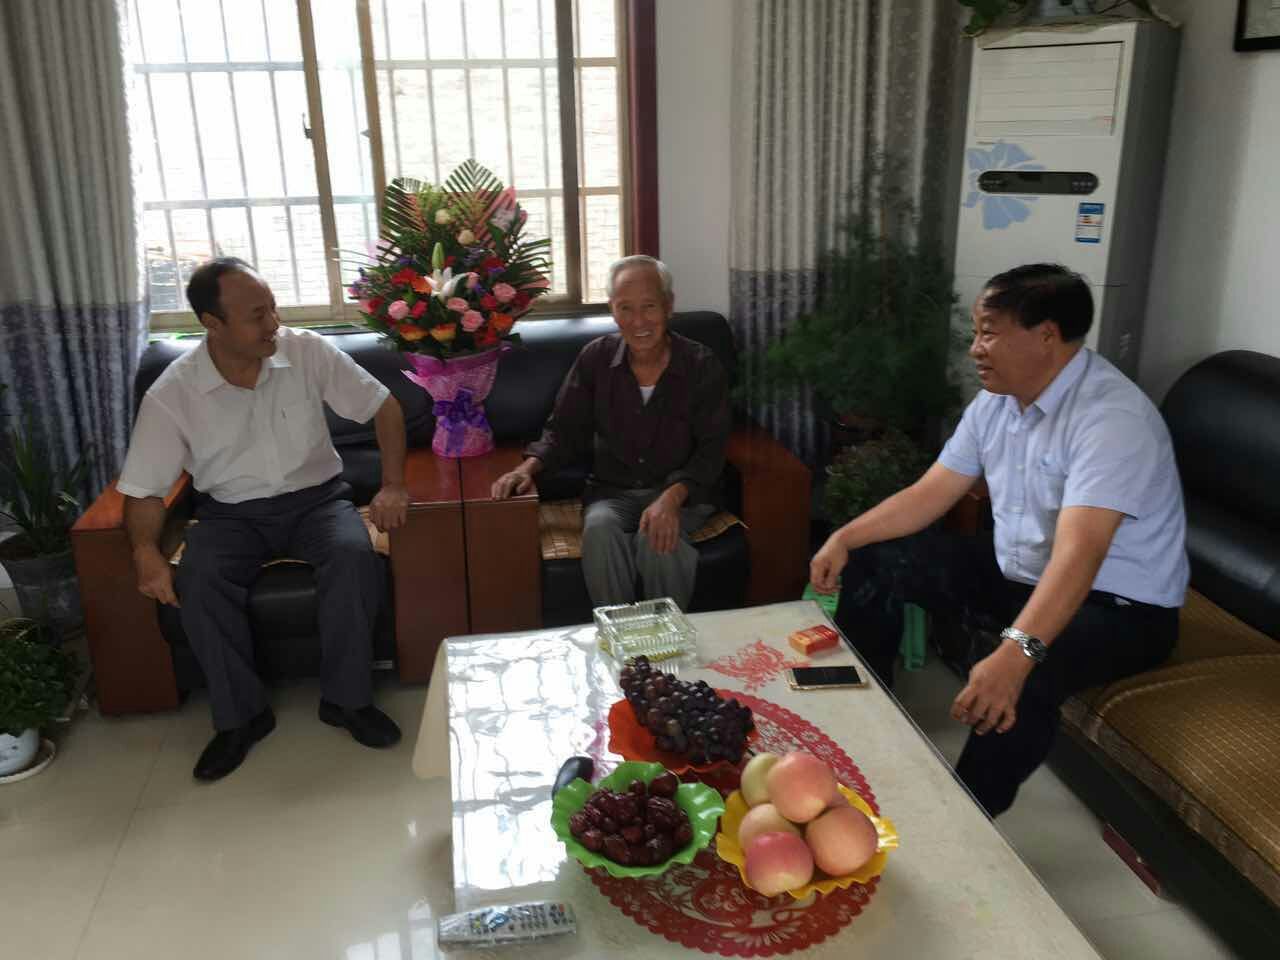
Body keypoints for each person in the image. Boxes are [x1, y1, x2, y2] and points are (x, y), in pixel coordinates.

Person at [810, 263, 1188, 817]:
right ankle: (868, 727)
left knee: (1026, 672)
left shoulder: (1111, 419)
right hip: (1024, 574)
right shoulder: (997, 401)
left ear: (1046, 335)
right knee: (875, 558)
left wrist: (1015, 651)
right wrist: (845, 536)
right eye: (976, 333)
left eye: (988, 333)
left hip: (1120, 609)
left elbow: (1080, 554)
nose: (974, 349)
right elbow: (931, 493)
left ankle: (962, 824)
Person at [118, 258, 408, 782]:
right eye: (257, 315)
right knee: (200, 580)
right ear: (212, 323)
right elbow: (143, 488)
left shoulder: (306, 351)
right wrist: (144, 551)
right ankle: (241, 719)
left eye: (273, 308)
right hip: (230, 516)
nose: (273, 323)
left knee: (353, 558)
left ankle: (347, 701)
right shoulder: (173, 392)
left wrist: (392, 484)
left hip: (318, 503)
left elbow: (384, 407)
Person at [490, 255, 731, 610]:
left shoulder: (701, 364)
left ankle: (666, 635)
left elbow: (712, 448)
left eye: (649, 306)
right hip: (612, 492)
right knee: (599, 530)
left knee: (656, 540)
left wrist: (671, 498)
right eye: (625, 308)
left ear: (668, 305)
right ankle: (618, 634)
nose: (638, 321)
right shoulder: (595, 359)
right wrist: (526, 469)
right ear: (612, 310)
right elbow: (564, 429)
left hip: (680, 493)